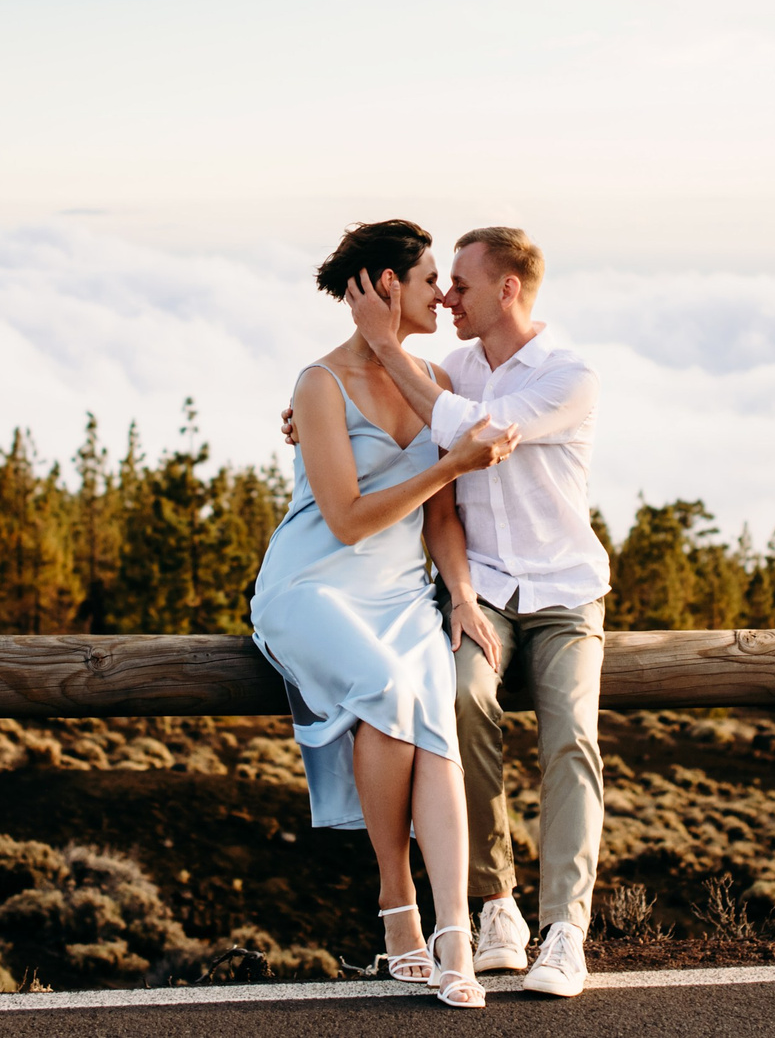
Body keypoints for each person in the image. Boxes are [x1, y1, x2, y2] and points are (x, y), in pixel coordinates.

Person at [289, 225, 606, 999]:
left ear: (507, 290)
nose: (447, 296)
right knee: (457, 700)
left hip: (564, 589)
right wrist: (314, 412)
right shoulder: (451, 364)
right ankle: (495, 906)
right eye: (440, 282)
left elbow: (481, 436)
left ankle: (565, 928)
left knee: (571, 736)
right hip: (485, 589)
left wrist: (382, 346)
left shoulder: (569, 375)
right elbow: (370, 411)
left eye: (459, 284)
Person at [249, 218, 519, 1011]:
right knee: (393, 694)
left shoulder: (432, 375)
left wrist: (462, 597)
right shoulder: (318, 384)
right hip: (314, 587)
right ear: (381, 286)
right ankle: (397, 905)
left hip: (403, 595)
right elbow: (349, 518)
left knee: (430, 716)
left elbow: (442, 517)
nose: (441, 293)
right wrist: (450, 464)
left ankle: (454, 940)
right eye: (430, 278)